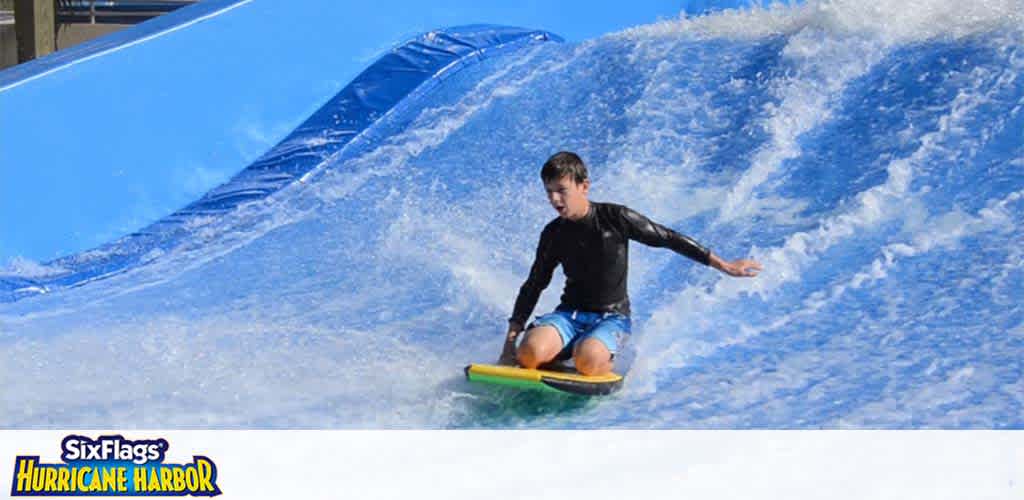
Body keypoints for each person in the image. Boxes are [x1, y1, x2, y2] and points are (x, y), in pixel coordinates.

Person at [498, 151, 763, 375]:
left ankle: (594, 352)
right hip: (570, 315)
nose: (554, 200)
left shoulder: (616, 217)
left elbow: (668, 238)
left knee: (587, 361)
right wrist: (509, 345)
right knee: (529, 354)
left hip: (611, 317)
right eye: (549, 192)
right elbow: (534, 284)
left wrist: (725, 265)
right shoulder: (553, 233)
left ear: (584, 186)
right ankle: (567, 348)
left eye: (561, 191)